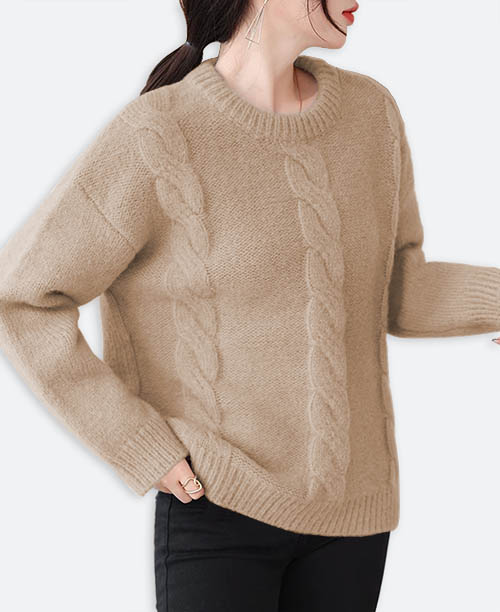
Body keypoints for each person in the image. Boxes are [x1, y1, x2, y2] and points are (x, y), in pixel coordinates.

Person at [0, 1, 499, 611]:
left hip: (355, 518)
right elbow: (24, 296)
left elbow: (395, 290)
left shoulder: (372, 115)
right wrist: (137, 443)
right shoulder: (158, 134)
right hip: (217, 505)